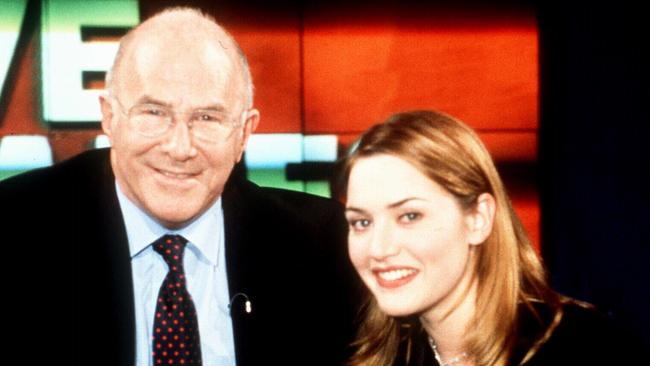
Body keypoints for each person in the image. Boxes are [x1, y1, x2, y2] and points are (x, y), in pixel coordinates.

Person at [0, 7, 359, 366]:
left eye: (207, 118)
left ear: (244, 133)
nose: (180, 148)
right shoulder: (17, 230)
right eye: (154, 113)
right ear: (109, 118)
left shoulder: (325, 246)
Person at [340, 110, 643, 366]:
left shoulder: (589, 350)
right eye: (362, 222)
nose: (379, 248)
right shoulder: (384, 356)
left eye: (409, 216)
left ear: (478, 218)